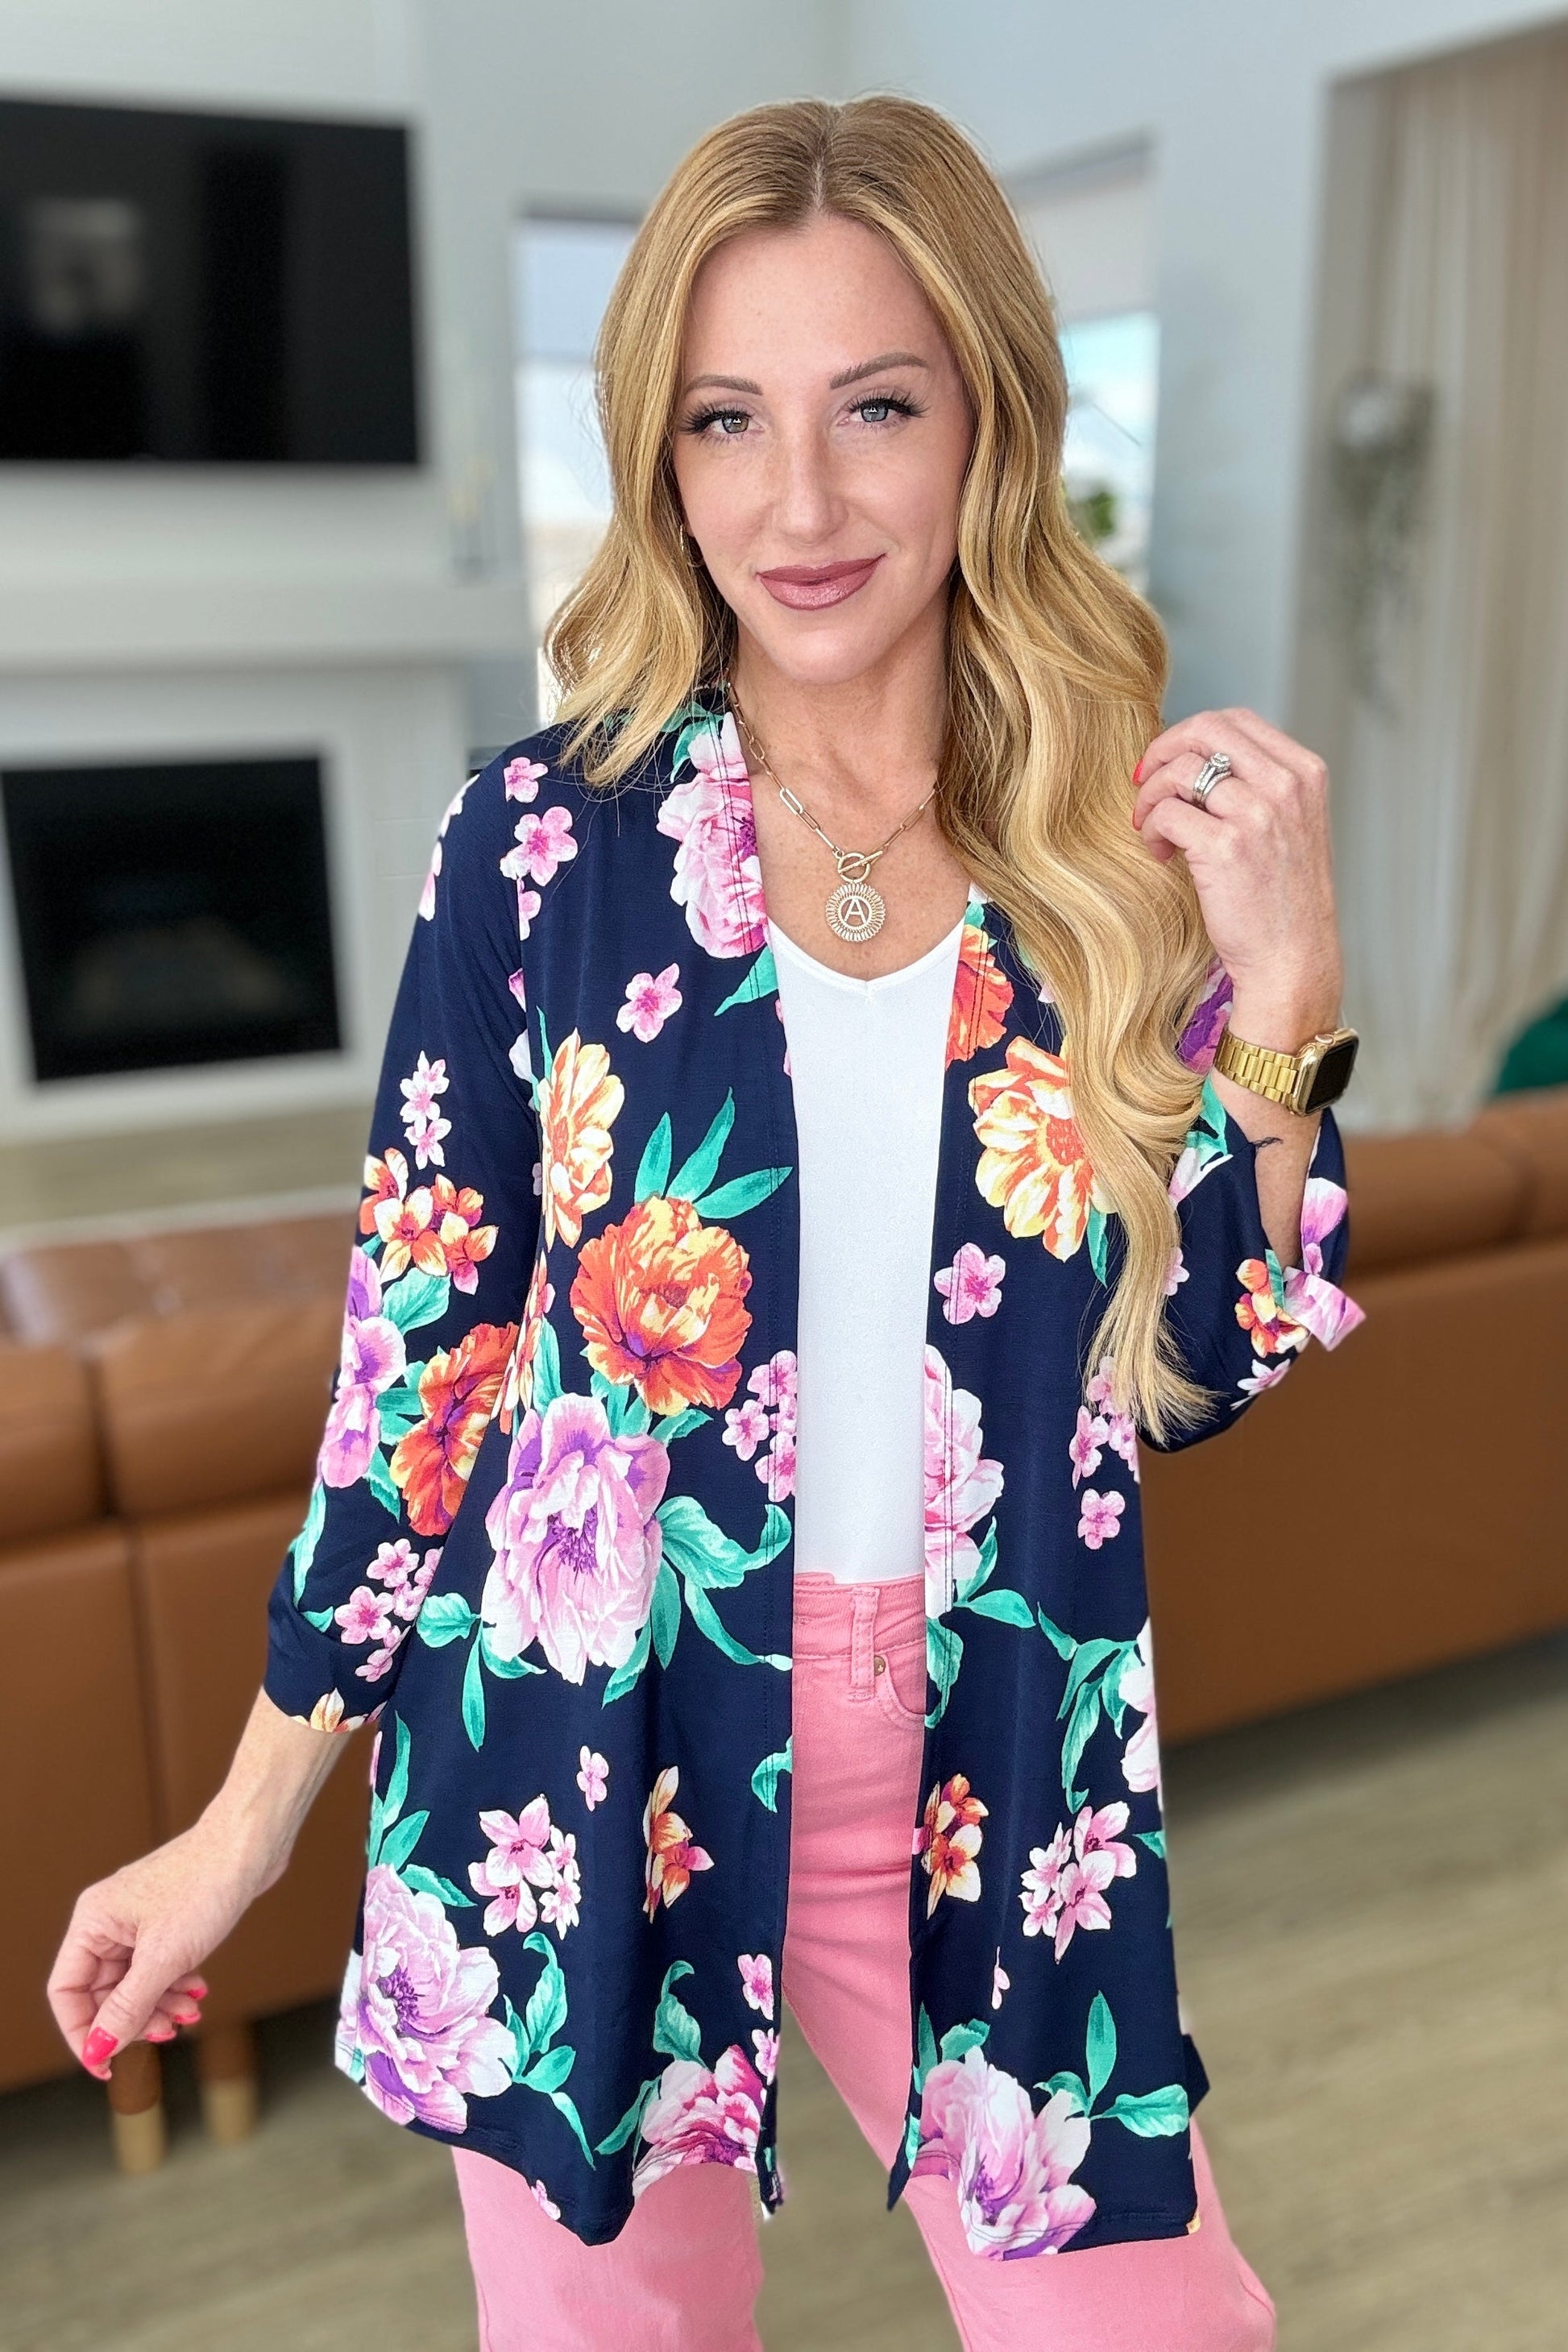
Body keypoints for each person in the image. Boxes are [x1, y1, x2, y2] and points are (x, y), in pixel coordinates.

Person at [49, 94, 1364, 2352]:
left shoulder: (1114, 862)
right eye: (725, 419)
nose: (800, 503)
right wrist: (238, 1829)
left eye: (878, 408)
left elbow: (1188, 1381)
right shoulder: (538, 852)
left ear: (989, 418)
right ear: (659, 457)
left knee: (1157, 2327)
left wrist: (1290, 1000)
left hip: (989, 1760)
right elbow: (419, 1373)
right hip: (578, 1759)